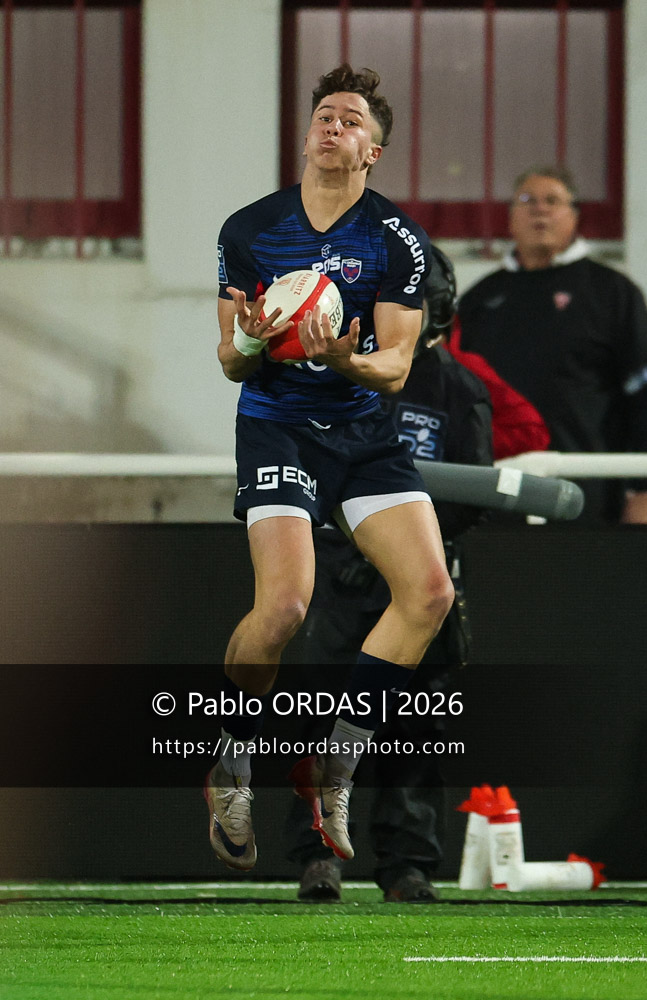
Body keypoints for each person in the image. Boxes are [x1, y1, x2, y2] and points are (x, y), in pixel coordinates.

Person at [206, 64, 455, 873]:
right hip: (277, 429)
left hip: (360, 432)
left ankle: (334, 763)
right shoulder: (250, 228)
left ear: (371, 150)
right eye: (322, 114)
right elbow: (229, 363)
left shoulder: (395, 242)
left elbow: (394, 370)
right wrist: (251, 336)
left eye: (348, 120)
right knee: (282, 610)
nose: (330, 126)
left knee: (428, 593)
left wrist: (347, 362)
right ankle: (234, 761)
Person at [285, 246, 494, 902]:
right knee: (321, 717)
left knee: (415, 723)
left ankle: (407, 861)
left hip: (422, 585)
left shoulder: (458, 390)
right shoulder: (335, 377)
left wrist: (407, 548)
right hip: (342, 575)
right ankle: (317, 855)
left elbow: (472, 496)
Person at [449, 165, 647, 523]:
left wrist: (643, 489)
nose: (540, 209)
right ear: (511, 219)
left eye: (553, 201)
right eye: (528, 200)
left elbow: (644, 391)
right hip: (496, 492)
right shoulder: (480, 299)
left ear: (574, 216)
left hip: (590, 492)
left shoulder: (612, 292)